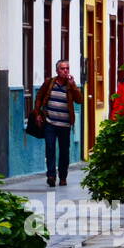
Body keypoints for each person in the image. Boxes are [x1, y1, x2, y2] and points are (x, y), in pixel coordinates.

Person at [35, 59, 83, 187]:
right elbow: (39, 97)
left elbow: (79, 100)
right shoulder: (49, 83)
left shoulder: (71, 85)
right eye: (62, 68)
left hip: (65, 125)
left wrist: (73, 86)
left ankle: (62, 177)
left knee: (64, 152)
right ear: (57, 71)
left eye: (67, 68)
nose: (65, 70)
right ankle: (51, 175)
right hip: (50, 123)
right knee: (50, 148)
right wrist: (38, 113)